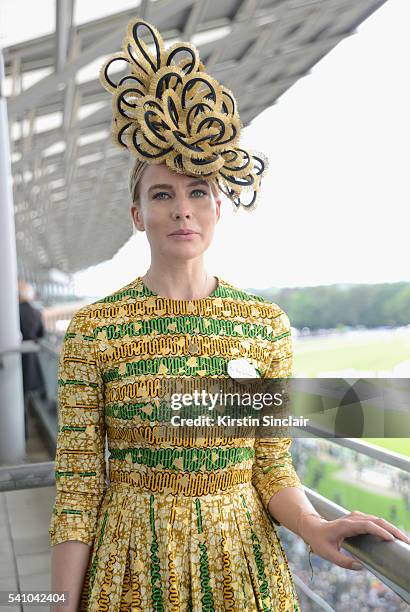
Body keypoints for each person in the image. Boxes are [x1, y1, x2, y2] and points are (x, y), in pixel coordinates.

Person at [49, 18, 410, 612]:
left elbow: (269, 463)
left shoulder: (262, 325)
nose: (181, 211)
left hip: (241, 567)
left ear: (218, 207)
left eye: (196, 192)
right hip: (131, 568)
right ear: (137, 215)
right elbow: (79, 485)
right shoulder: (94, 331)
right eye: (162, 195)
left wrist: (315, 528)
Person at [18, 280, 45, 440]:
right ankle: (24, 434)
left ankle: (19, 433)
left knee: (15, 397)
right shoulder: (36, 312)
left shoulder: (12, 312)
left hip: (16, 357)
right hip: (31, 359)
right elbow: (41, 334)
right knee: (25, 397)